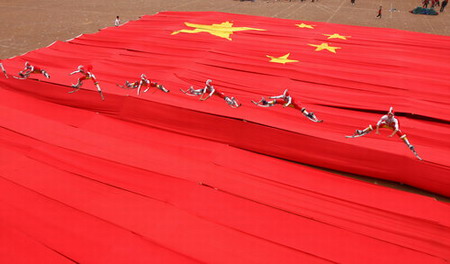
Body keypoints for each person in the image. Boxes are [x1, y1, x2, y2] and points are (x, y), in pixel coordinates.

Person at [349, 107, 419, 156]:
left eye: (391, 114)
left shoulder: (395, 120)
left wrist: (392, 135)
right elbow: (378, 124)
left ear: (393, 115)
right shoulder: (384, 117)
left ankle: (409, 144)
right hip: (386, 124)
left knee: (401, 134)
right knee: (372, 126)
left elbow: (397, 129)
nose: (389, 115)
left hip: (393, 127)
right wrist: (376, 130)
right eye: (389, 114)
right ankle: (362, 131)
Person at [252, 89, 322, 122]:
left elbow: (289, 102)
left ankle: (308, 114)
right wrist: (271, 97)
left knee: (300, 108)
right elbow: (277, 96)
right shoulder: (284, 96)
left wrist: (286, 105)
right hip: (287, 104)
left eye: (285, 96)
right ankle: (266, 102)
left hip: (294, 104)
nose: (284, 96)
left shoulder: (289, 98)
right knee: (277, 101)